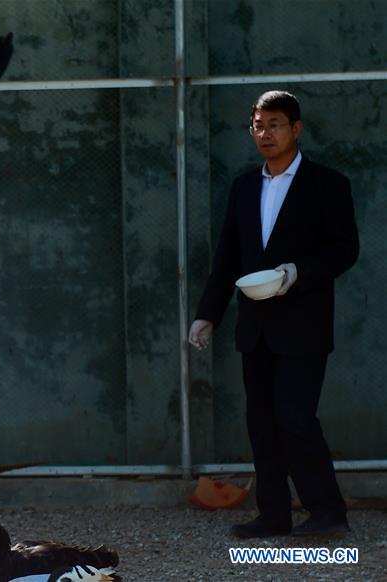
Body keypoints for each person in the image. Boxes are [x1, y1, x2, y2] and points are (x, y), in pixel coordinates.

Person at [189, 91, 359, 538]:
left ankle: (328, 513)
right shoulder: (245, 187)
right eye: (258, 126)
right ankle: (274, 514)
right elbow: (228, 257)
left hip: (303, 326)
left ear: (296, 129)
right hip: (255, 327)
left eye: (275, 124)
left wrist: (297, 272)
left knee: (295, 417)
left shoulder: (328, 184)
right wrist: (207, 314)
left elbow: (345, 249)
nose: (265, 133)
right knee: (261, 422)